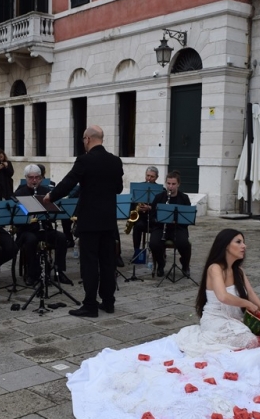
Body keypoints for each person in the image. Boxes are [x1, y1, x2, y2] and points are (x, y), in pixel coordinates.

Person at [46, 125, 123, 317]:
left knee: (89, 263)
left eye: (83, 140)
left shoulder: (84, 160)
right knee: (107, 262)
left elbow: (68, 182)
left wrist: (50, 197)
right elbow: (119, 189)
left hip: (89, 220)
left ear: (87, 138)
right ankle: (108, 302)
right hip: (108, 220)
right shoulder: (115, 161)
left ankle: (90, 305)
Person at [172, 229, 260, 356]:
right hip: (215, 319)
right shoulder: (215, 268)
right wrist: (247, 304)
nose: (244, 246)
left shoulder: (239, 271)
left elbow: (251, 293)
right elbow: (223, 296)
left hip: (235, 319)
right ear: (226, 245)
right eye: (238, 242)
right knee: (249, 341)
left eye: (243, 242)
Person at [15, 164, 71, 286]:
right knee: (31, 240)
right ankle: (32, 273)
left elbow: (53, 212)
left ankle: (59, 271)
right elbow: (16, 218)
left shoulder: (46, 192)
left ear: (41, 178)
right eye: (31, 177)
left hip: (44, 228)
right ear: (26, 178)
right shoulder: (20, 193)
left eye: (37, 177)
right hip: (27, 230)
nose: (34, 180)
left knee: (61, 238)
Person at [148, 171, 192, 277]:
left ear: (178, 184)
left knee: (184, 243)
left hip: (178, 227)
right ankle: (161, 263)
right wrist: (159, 220)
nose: (170, 186)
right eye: (168, 183)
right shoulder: (159, 197)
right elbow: (152, 216)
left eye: (173, 184)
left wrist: (177, 221)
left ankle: (185, 265)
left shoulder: (184, 198)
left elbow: (187, 219)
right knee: (154, 243)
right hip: (161, 227)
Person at [130, 167, 159, 263]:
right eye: (148, 176)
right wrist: (138, 208)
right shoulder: (138, 188)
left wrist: (150, 207)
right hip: (142, 218)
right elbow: (132, 204)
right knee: (137, 226)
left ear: (156, 178)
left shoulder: (160, 190)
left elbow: (161, 207)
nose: (149, 178)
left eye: (152, 177)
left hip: (154, 219)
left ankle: (156, 253)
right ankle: (137, 252)